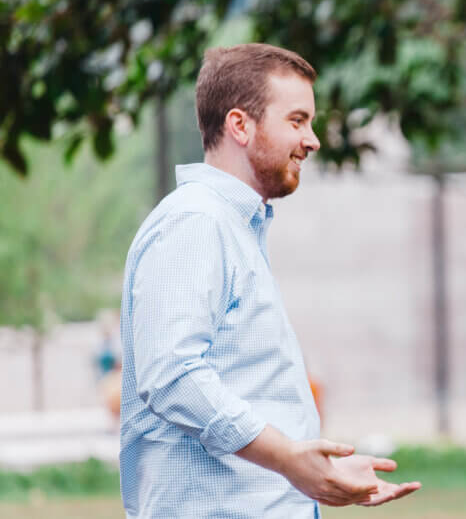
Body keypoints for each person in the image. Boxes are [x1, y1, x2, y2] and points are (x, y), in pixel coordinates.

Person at [119, 44, 420, 518]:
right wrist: (286, 458)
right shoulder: (195, 223)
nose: (313, 139)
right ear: (240, 125)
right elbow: (171, 376)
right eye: (297, 120)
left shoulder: (235, 226)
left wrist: (312, 467)